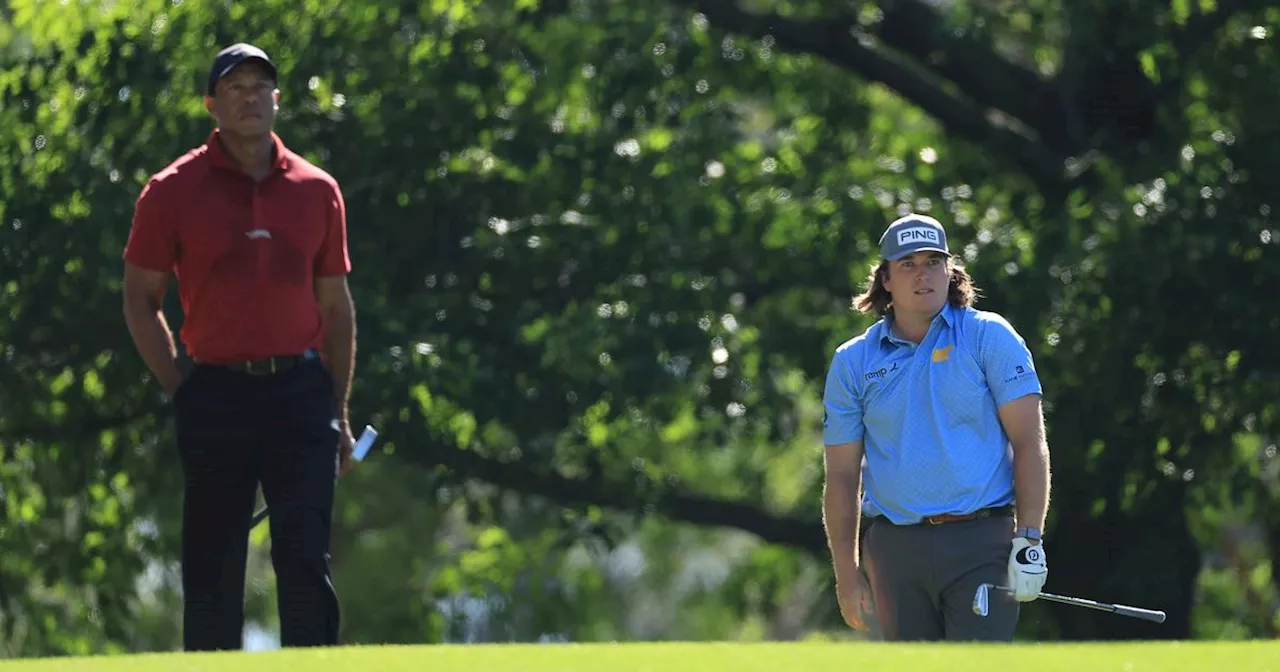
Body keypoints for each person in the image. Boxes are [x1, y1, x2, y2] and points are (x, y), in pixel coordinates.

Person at [121, 42, 358, 651]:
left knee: (305, 561)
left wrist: (340, 411)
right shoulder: (170, 190)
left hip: (302, 394)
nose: (250, 97)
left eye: (260, 87)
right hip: (215, 392)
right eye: (235, 88)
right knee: (212, 567)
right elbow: (140, 301)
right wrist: (182, 386)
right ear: (212, 105)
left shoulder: (317, 189)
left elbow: (335, 307)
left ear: (276, 100)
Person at [819, 213, 1051, 641]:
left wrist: (1030, 539)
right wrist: (847, 575)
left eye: (933, 262)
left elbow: (1028, 441)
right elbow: (842, 475)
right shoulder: (853, 361)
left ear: (950, 271)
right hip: (894, 552)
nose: (922, 275)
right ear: (885, 279)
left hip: (982, 542)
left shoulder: (988, 336)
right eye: (907, 264)